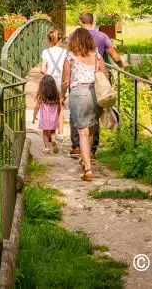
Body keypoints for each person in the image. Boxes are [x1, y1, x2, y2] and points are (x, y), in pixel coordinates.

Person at [68, 12, 123, 157]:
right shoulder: (102, 36)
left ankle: (76, 146)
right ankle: (92, 150)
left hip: (78, 82)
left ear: (81, 22)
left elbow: (69, 57)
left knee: (76, 114)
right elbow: (115, 56)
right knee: (94, 117)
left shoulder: (74, 35)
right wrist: (122, 64)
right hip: (96, 82)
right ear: (93, 22)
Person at [62, 27, 106, 181]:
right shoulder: (98, 56)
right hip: (95, 94)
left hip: (79, 94)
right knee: (91, 127)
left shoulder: (71, 57)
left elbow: (65, 81)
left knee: (82, 132)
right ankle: (85, 157)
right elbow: (104, 77)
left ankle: (87, 169)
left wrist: (62, 96)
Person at [38, 29, 69, 144]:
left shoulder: (46, 52)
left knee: (49, 106)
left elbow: (42, 70)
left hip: (49, 83)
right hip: (61, 82)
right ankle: (60, 134)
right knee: (60, 107)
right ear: (61, 40)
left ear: (49, 40)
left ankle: (51, 133)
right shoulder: (65, 52)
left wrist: (47, 74)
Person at [32, 74, 63, 154]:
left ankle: (46, 148)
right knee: (53, 131)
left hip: (45, 118)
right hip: (54, 117)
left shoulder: (41, 95)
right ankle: (53, 140)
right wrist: (58, 114)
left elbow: (37, 107)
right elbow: (59, 106)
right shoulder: (56, 95)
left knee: (45, 133)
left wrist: (34, 116)